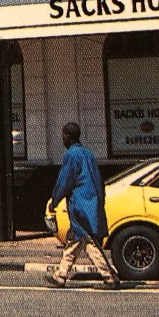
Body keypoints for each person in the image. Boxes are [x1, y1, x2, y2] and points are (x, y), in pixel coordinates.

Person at [45, 122, 120, 289]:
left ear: (67, 136)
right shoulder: (89, 154)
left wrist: (54, 202)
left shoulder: (72, 155)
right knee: (75, 240)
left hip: (81, 204)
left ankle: (110, 277)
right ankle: (61, 275)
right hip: (93, 202)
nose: (62, 138)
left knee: (88, 240)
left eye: (63, 135)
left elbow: (64, 181)